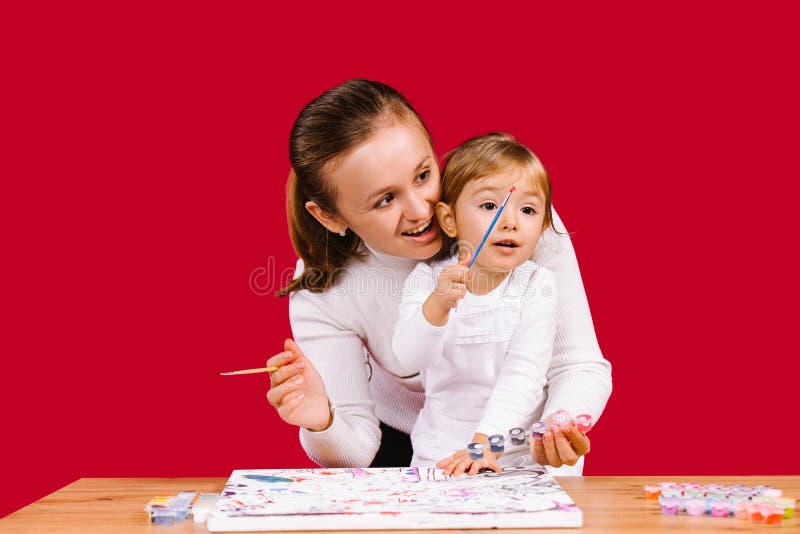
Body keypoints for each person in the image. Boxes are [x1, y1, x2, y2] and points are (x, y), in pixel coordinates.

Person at [266, 79, 612, 471]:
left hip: (523, 448)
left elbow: (578, 366)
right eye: (385, 199)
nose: (421, 209)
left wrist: (558, 424)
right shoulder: (325, 287)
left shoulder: (508, 217)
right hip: (420, 451)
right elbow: (357, 450)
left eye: (422, 175)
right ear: (329, 216)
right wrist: (321, 419)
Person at [392, 133, 562, 476]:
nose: (510, 221)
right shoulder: (426, 281)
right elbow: (409, 358)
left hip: (510, 461)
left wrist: (485, 443)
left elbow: (525, 375)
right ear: (449, 219)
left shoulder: (536, 285)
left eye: (527, 210)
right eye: (489, 206)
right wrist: (437, 308)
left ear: (542, 227)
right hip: (436, 457)